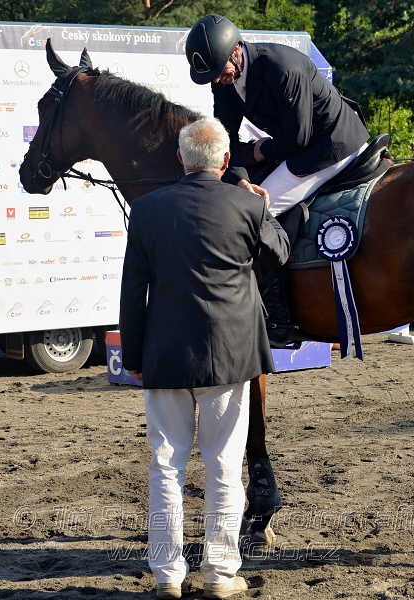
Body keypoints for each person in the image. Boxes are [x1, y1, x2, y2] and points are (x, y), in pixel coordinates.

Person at [119, 118, 289, 600]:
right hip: (230, 355)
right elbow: (279, 252)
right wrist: (265, 209)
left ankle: (168, 576)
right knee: (224, 465)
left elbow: (133, 291)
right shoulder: (246, 204)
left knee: (164, 465)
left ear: (180, 159)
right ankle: (219, 573)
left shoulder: (147, 209)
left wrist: (134, 354)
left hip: (164, 354)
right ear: (226, 161)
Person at [184, 14, 370, 346]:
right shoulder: (224, 82)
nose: (217, 81)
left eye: (219, 72)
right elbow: (226, 137)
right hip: (297, 146)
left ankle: (279, 323)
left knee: (255, 211)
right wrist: (239, 179)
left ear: (237, 51)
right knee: (246, 193)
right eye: (210, 77)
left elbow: (298, 138)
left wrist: (257, 153)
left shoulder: (282, 68)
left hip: (329, 146)